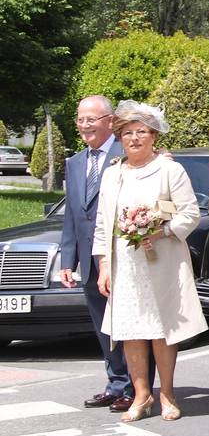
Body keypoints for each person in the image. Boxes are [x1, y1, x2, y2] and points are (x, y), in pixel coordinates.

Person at [92, 100, 207, 422]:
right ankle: (141, 396)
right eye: (127, 133)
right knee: (131, 330)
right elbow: (103, 223)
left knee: (160, 329)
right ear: (119, 138)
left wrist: (161, 230)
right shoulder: (113, 175)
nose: (134, 138)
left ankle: (167, 394)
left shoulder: (169, 170)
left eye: (141, 132)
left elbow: (190, 214)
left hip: (162, 262)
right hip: (125, 264)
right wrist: (103, 265)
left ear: (153, 135)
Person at [60, 96, 134, 412]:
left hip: (120, 257)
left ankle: (136, 386)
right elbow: (72, 216)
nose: (85, 125)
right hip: (90, 264)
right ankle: (115, 384)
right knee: (104, 328)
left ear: (109, 121)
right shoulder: (75, 163)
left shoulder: (127, 154)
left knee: (129, 325)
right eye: (80, 120)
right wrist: (68, 260)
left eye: (91, 119)